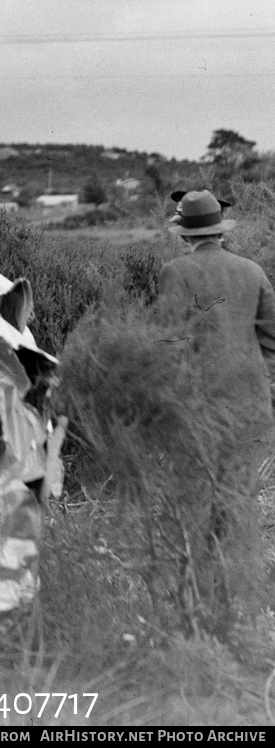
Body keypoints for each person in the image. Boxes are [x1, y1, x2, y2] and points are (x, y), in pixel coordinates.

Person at [157, 188, 275, 612]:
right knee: (239, 505)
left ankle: (202, 608)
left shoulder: (176, 272)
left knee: (196, 508)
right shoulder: (252, 270)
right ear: (220, 229)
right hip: (250, 411)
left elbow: (168, 343)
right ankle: (241, 606)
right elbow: (273, 340)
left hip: (199, 412)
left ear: (184, 233)